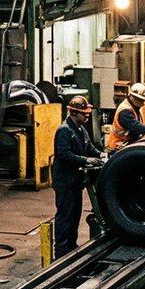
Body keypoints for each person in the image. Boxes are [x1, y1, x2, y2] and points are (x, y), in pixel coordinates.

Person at [51, 96, 104, 257]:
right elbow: (64, 154)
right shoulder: (64, 131)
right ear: (74, 113)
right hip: (65, 182)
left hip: (76, 181)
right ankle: (61, 251)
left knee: (75, 215)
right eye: (84, 114)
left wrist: (101, 155)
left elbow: (89, 147)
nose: (87, 117)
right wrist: (85, 160)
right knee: (65, 215)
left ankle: (71, 247)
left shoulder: (81, 129)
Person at [105, 81, 145, 151]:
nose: (143, 103)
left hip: (125, 146)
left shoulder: (135, 107)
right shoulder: (125, 111)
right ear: (132, 97)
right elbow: (137, 127)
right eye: (141, 100)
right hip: (117, 147)